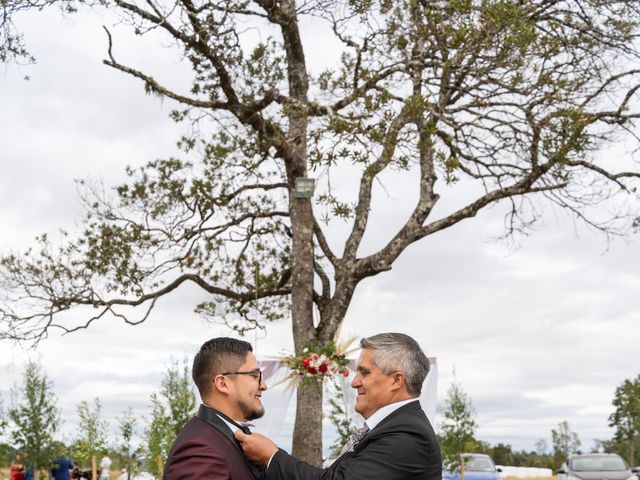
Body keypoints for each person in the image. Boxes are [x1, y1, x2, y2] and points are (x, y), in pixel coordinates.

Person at [236, 332, 442, 480]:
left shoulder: (408, 436)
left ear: (396, 381)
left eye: (365, 372)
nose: (354, 382)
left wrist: (271, 456)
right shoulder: (393, 427)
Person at [163, 337, 268, 480]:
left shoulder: (223, 437)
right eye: (254, 375)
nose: (263, 385)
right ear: (223, 384)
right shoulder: (198, 451)